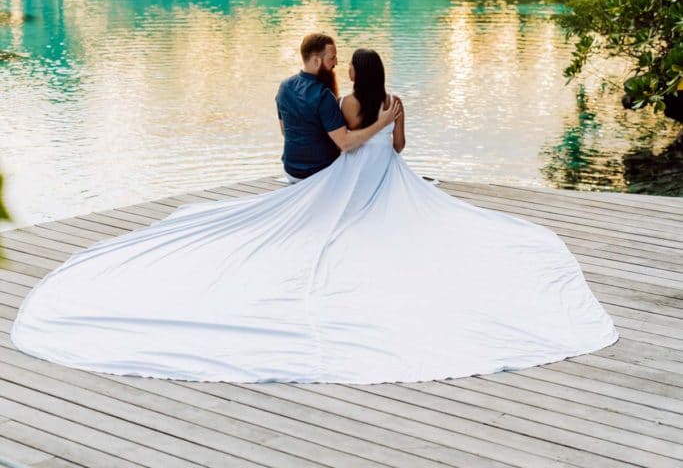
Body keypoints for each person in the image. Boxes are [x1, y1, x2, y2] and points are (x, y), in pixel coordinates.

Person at [10, 48, 618, 385]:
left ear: (354, 74)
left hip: (357, 170)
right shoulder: (393, 100)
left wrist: (365, 123)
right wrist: (394, 119)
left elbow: (349, 142)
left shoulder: (352, 103)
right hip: (390, 174)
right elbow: (400, 149)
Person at [276, 33, 400, 182]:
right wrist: (381, 123)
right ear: (316, 61)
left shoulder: (284, 87)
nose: (336, 63)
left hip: (291, 172)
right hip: (320, 175)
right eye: (332, 58)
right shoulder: (324, 95)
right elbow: (345, 143)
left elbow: (285, 131)